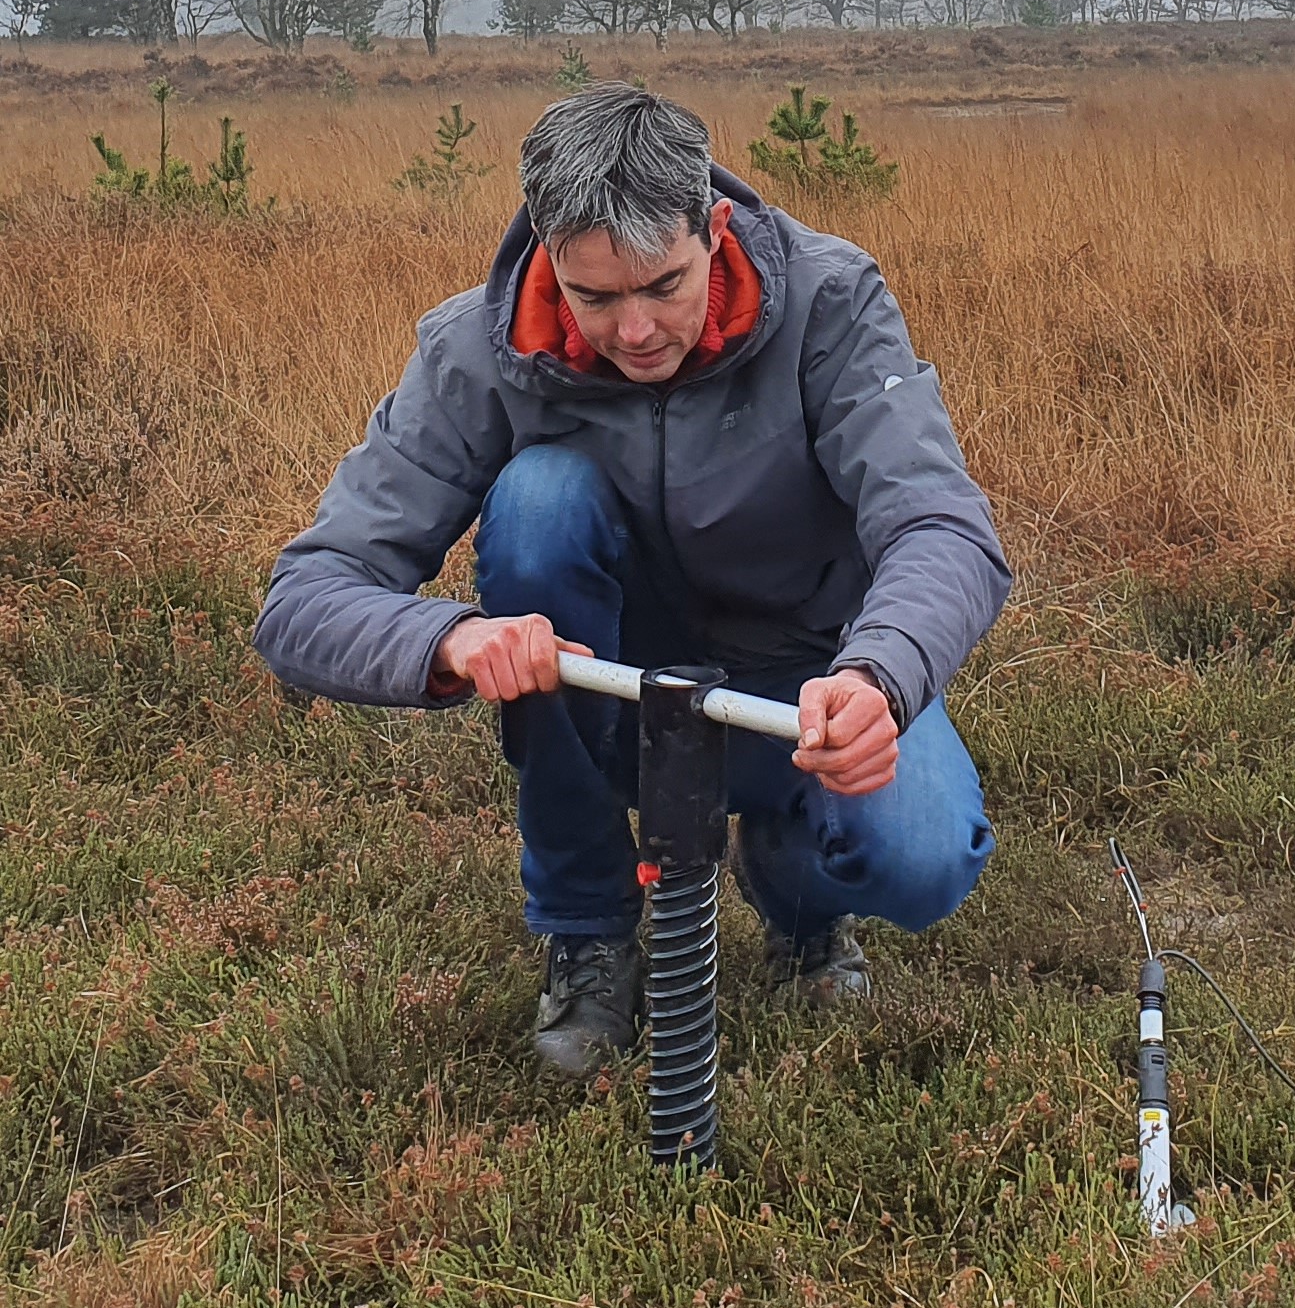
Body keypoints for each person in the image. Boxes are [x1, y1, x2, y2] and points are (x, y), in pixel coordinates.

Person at [254, 83, 1009, 1074]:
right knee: (538, 502)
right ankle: (587, 926)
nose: (637, 329)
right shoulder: (476, 348)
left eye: (664, 285)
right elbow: (304, 595)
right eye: (595, 296)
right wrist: (451, 639)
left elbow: (943, 527)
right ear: (547, 256)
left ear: (716, 227)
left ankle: (799, 893)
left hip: (804, 689)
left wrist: (877, 677)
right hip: (605, 697)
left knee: (920, 858)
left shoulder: (832, 303)